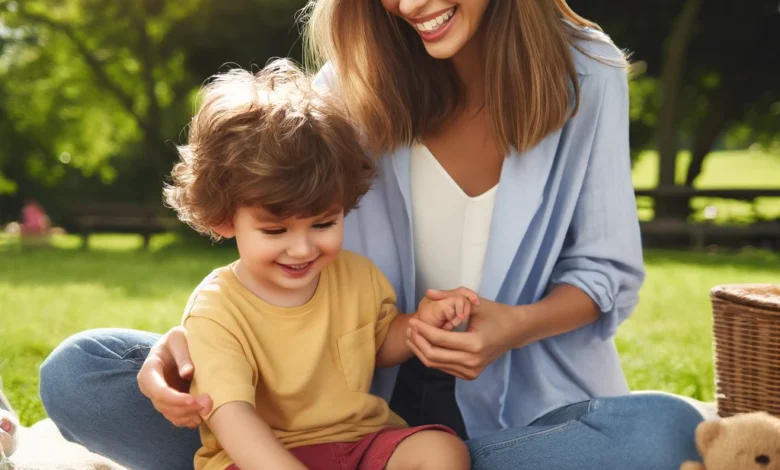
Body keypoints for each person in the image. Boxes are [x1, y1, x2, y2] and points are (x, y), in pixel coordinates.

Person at [39, 0, 706, 469]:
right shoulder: (344, 90)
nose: (409, 4)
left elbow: (604, 275)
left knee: (666, 434)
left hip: (485, 419)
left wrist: (510, 326)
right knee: (81, 371)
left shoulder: (587, 74)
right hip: (304, 413)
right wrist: (190, 348)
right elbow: (273, 231)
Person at [164, 61, 472, 470]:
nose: (302, 248)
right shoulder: (217, 310)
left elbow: (377, 344)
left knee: (443, 451)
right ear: (223, 219)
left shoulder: (358, 276)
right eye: (276, 231)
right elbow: (231, 418)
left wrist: (418, 326)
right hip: (263, 457)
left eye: (324, 223)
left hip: (359, 441)